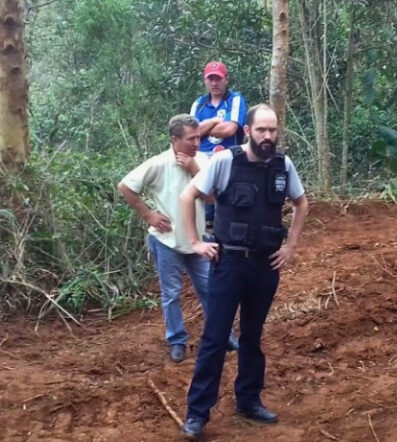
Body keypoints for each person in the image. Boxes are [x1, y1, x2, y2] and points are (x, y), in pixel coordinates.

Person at [179, 104, 308, 440]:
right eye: (262, 130)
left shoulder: (283, 166)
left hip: (265, 265)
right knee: (215, 338)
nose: (268, 136)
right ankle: (197, 414)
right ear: (247, 131)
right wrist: (195, 242)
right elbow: (189, 195)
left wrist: (290, 247)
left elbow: (301, 203)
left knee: (253, 336)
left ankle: (248, 401)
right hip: (229, 263)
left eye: (273, 130)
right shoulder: (225, 161)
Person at [118, 114, 237, 363]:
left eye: (198, 137)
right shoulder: (159, 163)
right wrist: (148, 215)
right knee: (171, 293)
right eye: (191, 139)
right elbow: (126, 186)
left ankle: (222, 334)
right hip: (166, 240)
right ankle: (177, 340)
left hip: (197, 241)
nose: (196, 143)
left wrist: (194, 168)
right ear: (175, 139)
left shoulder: (203, 161)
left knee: (211, 290)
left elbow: (213, 197)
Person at [190, 61, 248, 229]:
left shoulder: (235, 99)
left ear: (226, 79)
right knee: (204, 213)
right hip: (202, 162)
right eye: (211, 79)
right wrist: (216, 121)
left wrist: (204, 128)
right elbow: (192, 132)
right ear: (205, 81)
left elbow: (230, 129)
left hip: (228, 159)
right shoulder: (198, 104)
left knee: (227, 209)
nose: (214, 83)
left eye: (218, 79)